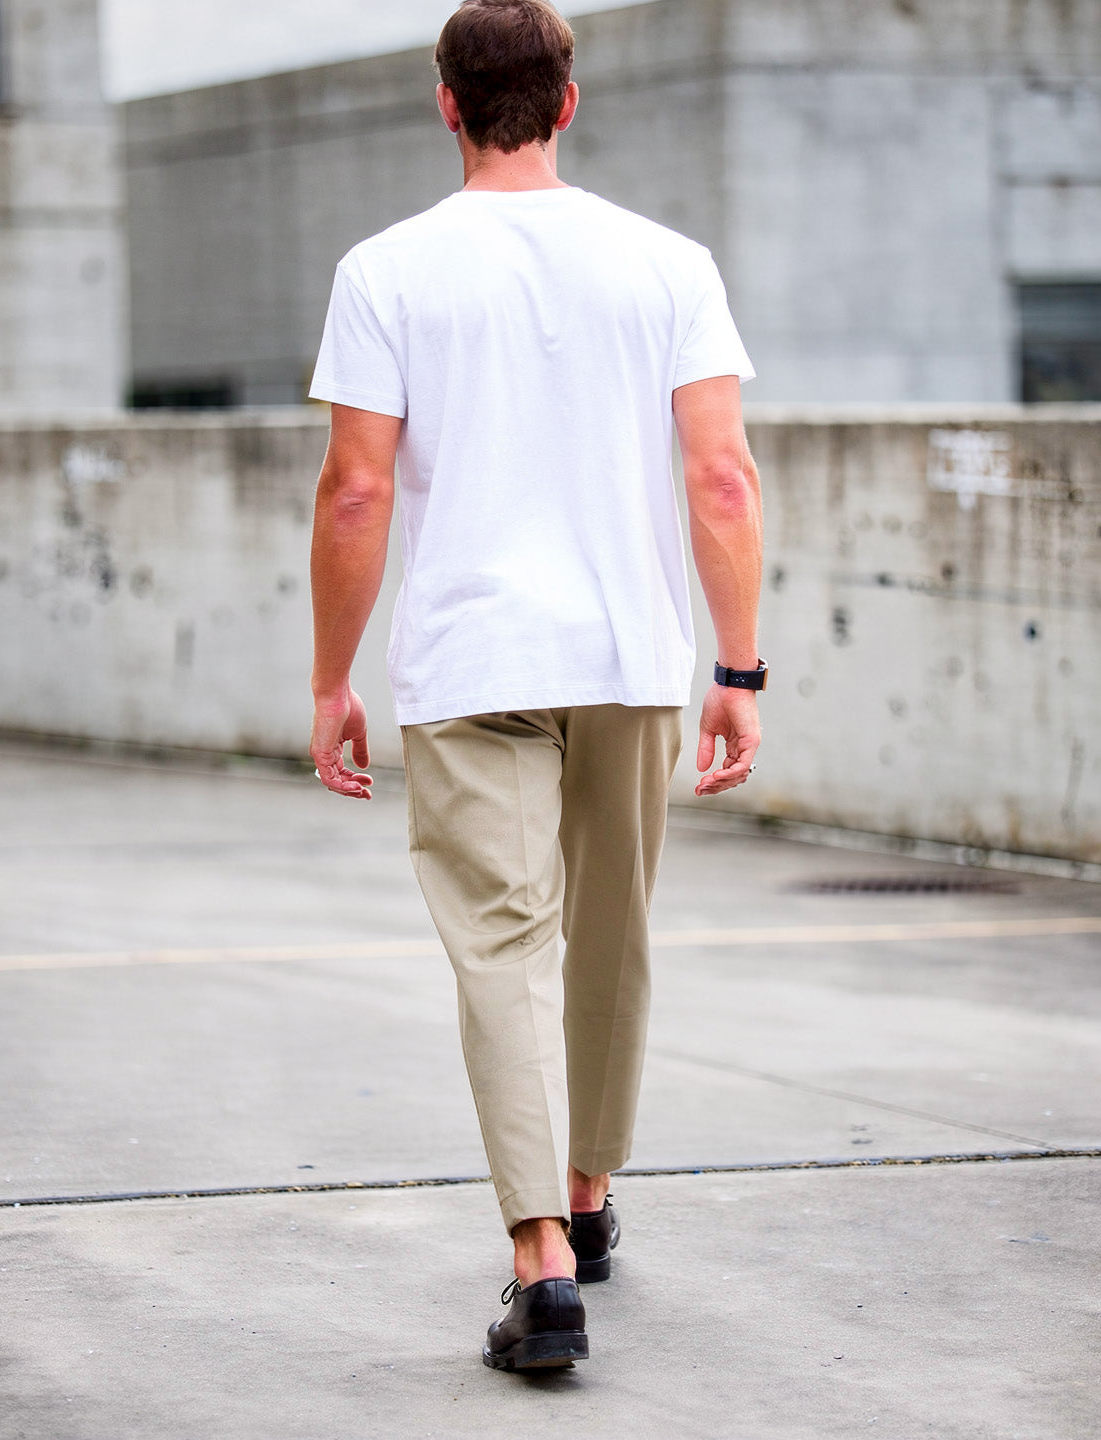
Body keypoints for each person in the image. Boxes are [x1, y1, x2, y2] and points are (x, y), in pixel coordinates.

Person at [308, 0, 764, 1371]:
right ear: (569, 104)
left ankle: (541, 1262)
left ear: (445, 105)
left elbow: (355, 492)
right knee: (612, 933)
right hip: (630, 653)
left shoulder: (385, 271)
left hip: (468, 660)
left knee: (504, 944)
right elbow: (722, 477)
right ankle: (585, 1194)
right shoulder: (668, 264)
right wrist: (738, 665)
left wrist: (332, 675)